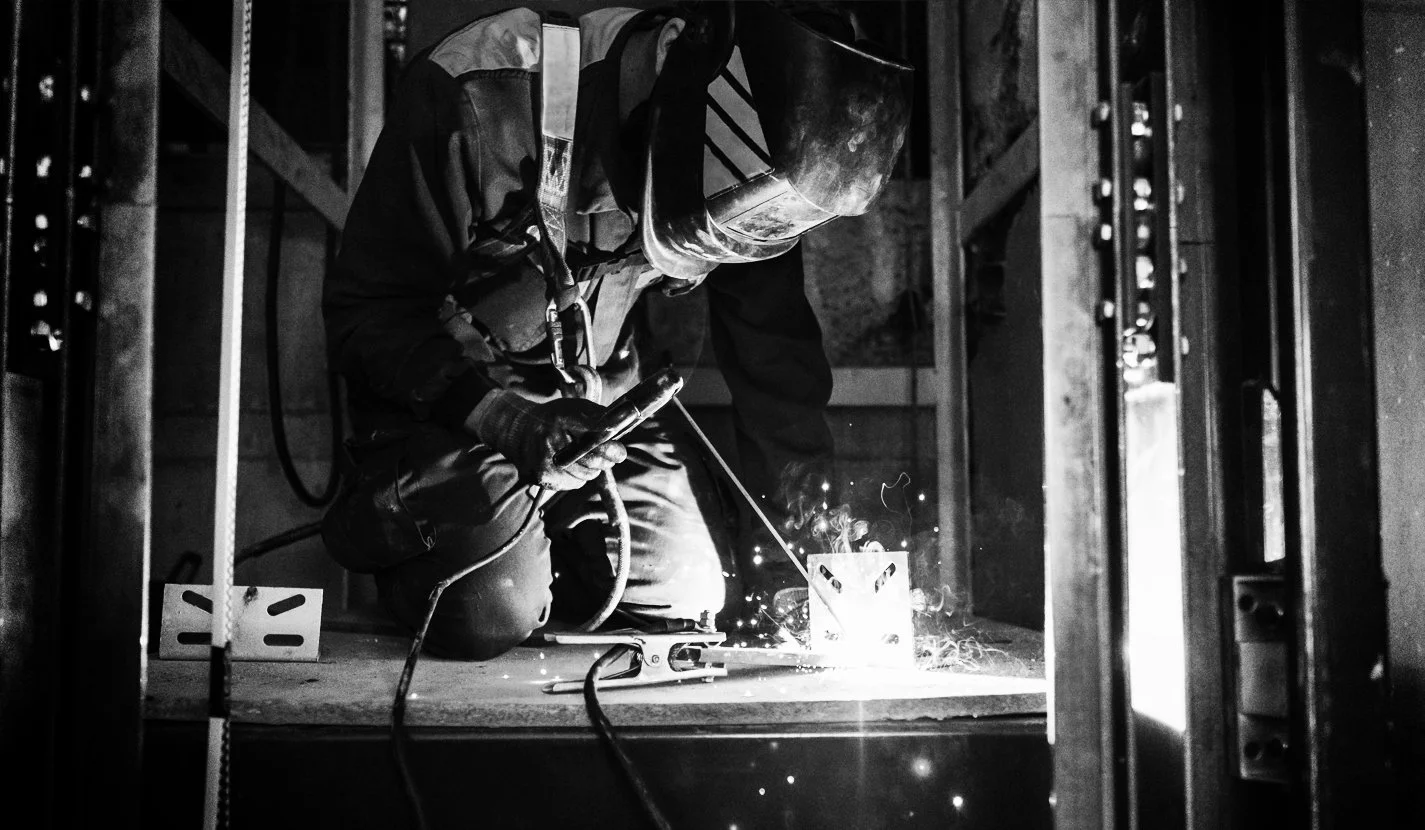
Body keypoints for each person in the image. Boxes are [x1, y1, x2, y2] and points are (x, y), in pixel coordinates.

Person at [321, 1, 912, 660]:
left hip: (599, 406)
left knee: (689, 600)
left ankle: (542, 540)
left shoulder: (768, 157)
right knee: (486, 612)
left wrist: (814, 539)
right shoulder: (479, 91)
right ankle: (467, 543)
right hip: (454, 407)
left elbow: (774, 361)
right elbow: (365, 315)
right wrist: (503, 420)